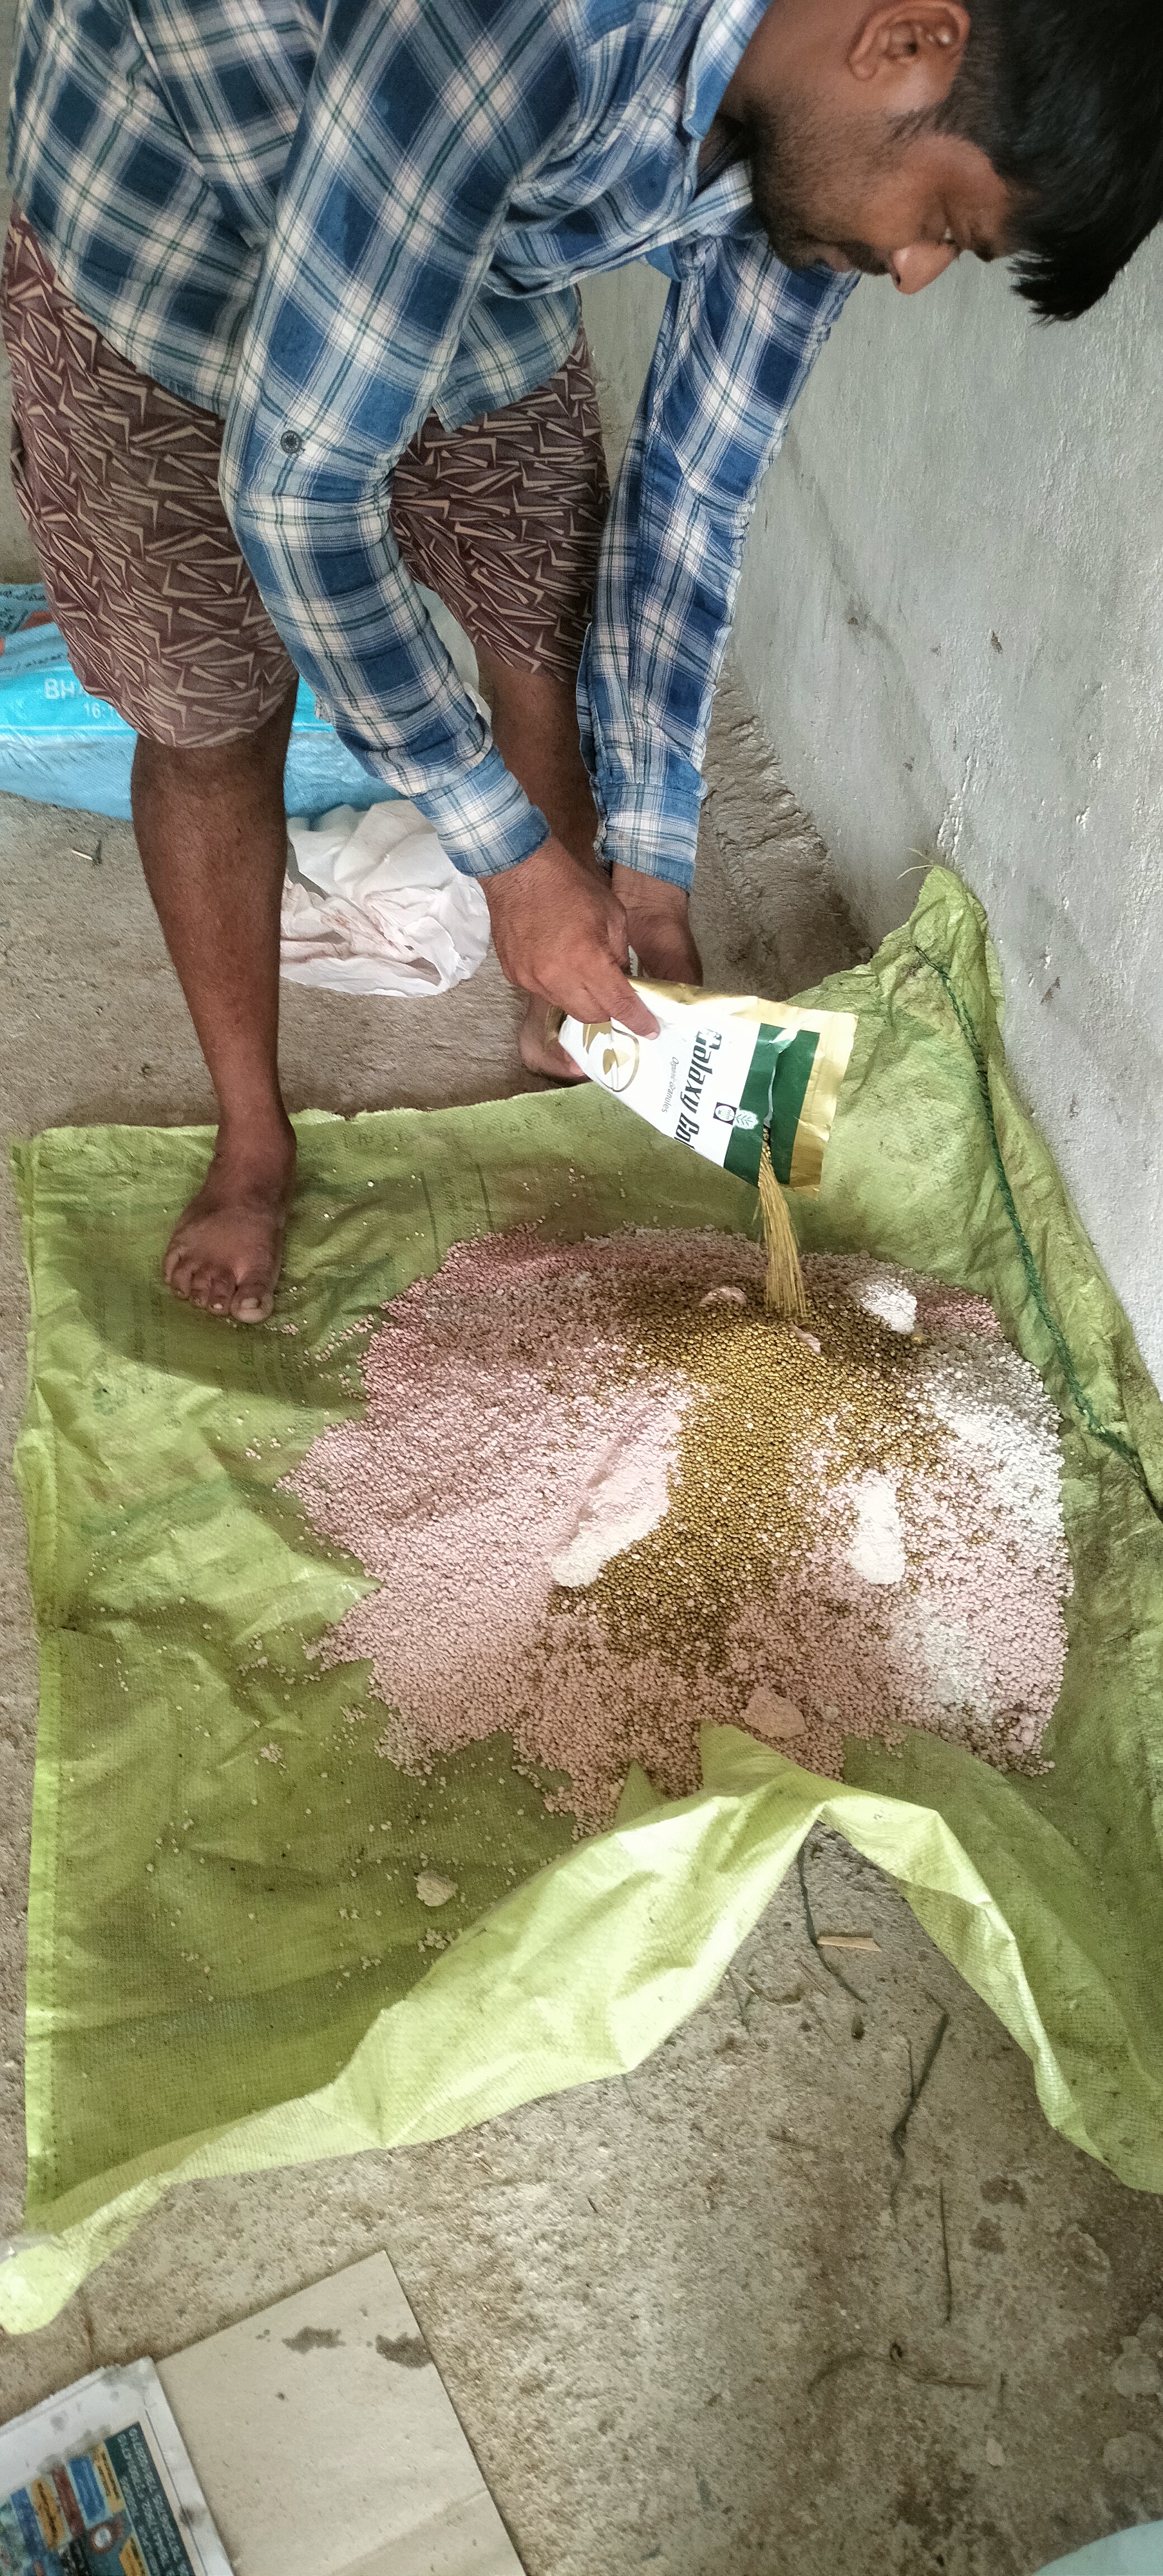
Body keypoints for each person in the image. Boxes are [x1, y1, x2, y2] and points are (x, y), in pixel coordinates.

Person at [4, 0, 1160, 1320]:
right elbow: (298, 490)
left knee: (539, 633)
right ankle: (254, 1137)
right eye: (942, 221)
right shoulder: (519, 29)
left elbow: (690, 499)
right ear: (903, 42)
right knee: (209, 714)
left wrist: (649, 867)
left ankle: (563, 1010)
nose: (909, 272)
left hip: (466, 259)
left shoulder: (813, 155)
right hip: (165, 244)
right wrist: (503, 856)